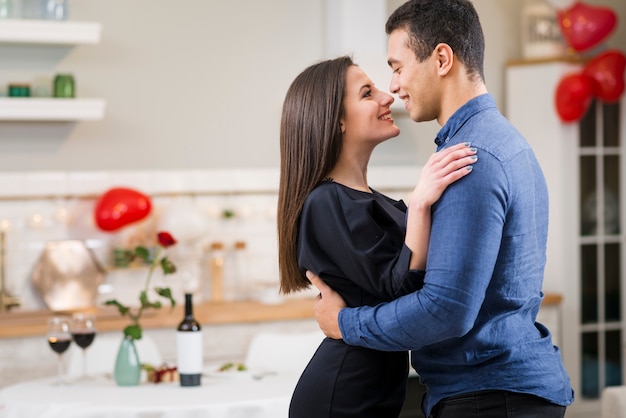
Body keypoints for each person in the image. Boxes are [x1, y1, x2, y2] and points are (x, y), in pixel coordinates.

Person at [306, 1, 575, 417]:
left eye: (398, 66)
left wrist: (344, 324)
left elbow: (444, 310)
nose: (393, 86)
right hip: (503, 392)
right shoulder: (500, 142)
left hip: (488, 396)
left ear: (442, 58)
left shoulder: (470, 158)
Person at [277, 55, 477, 417]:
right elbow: (398, 291)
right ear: (336, 120)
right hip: (343, 396)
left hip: (375, 389)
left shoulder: (370, 201)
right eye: (367, 93)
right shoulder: (325, 202)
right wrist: (420, 206)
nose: (387, 96)